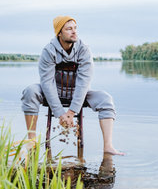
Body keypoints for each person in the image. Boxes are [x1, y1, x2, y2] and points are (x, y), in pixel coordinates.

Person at [21, 15, 124, 155]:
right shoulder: (48, 51)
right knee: (30, 91)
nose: (74, 32)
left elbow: (84, 82)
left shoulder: (84, 50)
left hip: (79, 93)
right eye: (69, 29)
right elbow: (47, 83)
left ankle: (108, 147)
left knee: (105, 99)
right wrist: (59, 113)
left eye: (75, 28)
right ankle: (31, 141)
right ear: (59, 33)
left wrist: (71, 112)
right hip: (54, 92)